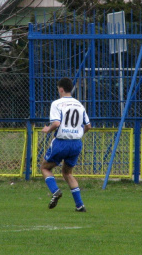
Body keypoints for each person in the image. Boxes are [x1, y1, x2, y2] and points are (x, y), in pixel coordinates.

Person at [41, 77, 91, 212]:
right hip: (76, 143)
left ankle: (55, 191)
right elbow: (88, 126)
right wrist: (78, 134)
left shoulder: (57, 103)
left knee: (45, 168)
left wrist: (48, 129)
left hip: (61, 142)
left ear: (61, 89)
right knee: (67, 173)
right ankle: (80, 205)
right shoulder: (79, 105)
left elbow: (56, 123)